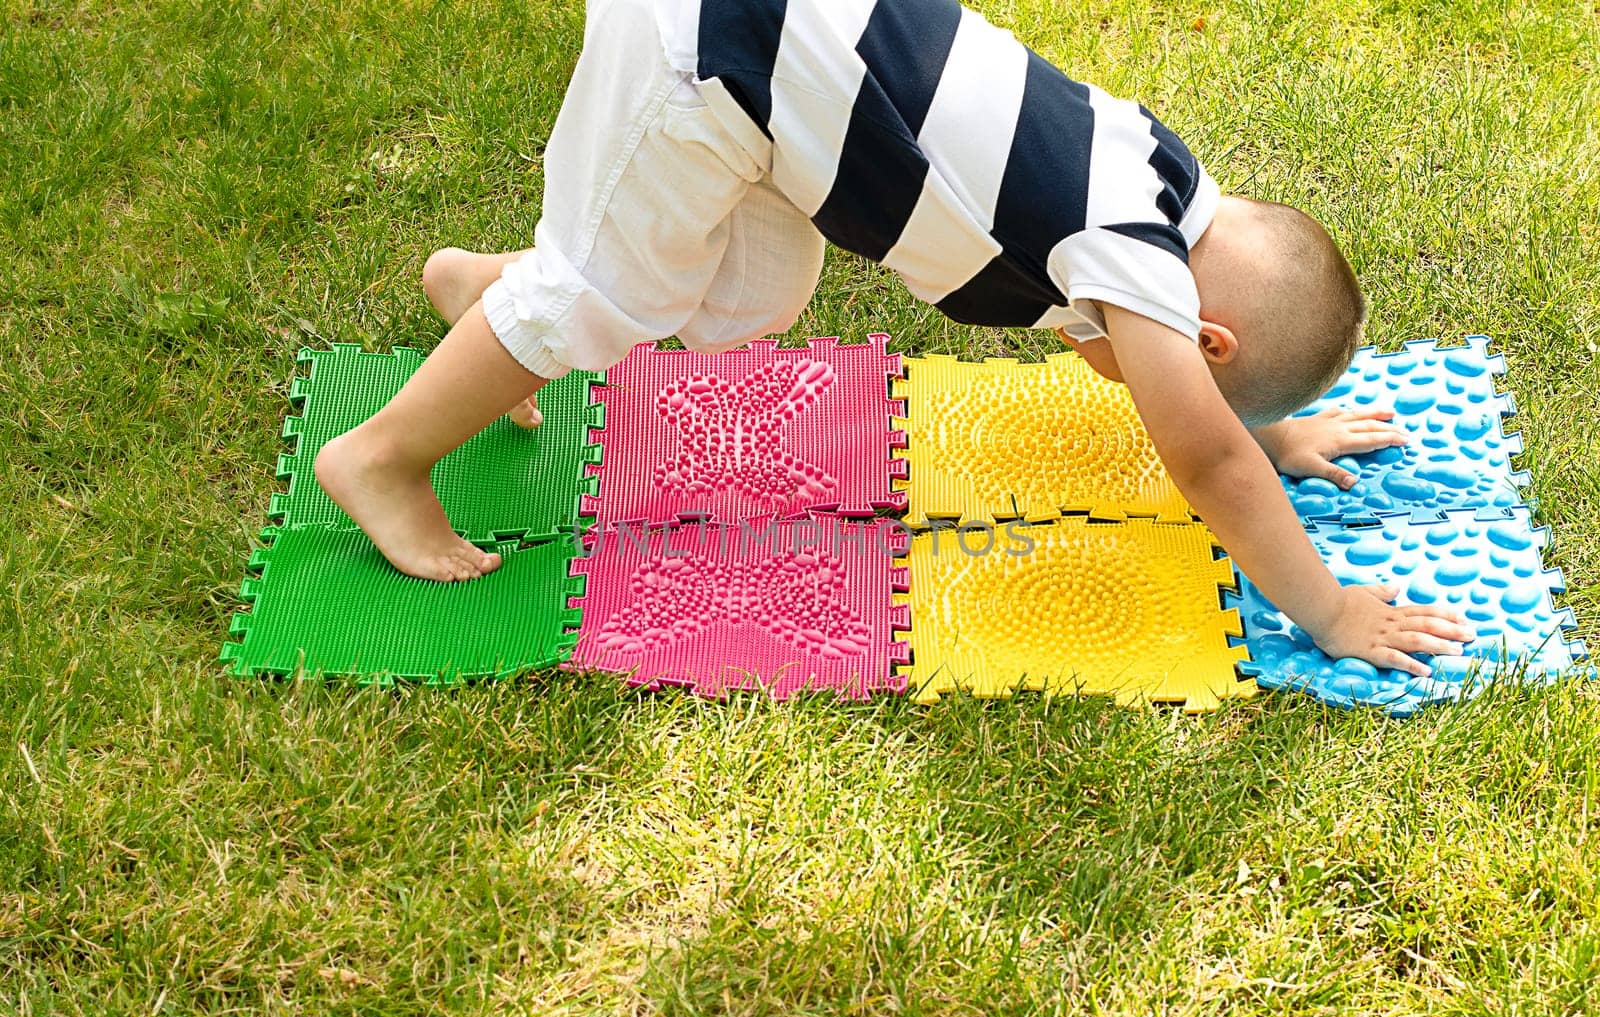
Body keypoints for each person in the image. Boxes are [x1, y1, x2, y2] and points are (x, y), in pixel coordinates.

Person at [314, 0, 1472, 675]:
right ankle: (384, 458)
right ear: (1206, 344)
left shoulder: (1158, 182)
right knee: (598, 298)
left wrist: (1272, 430)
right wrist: (1325, 606)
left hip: (782, 84)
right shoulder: (1134, 262)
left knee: (741, 300)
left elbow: (1166, 382)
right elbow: (1198, 453)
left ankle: (489, 297)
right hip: (711, 57)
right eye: (1213, 381)